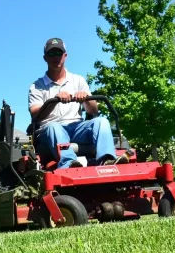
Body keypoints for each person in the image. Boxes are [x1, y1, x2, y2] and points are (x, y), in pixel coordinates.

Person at [28, 38, 127, 168]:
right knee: (53, 127)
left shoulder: (78, 80)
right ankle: (69, 163)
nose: (55, 57)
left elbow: (94, 111)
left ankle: (106, 160)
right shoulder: (37, 86)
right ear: (45, 58)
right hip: (50, 133)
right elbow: (35, 114)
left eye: (58, 53)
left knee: (101, 121)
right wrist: (54, 101)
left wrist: (86, 99)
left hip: (77, 128)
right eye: (51, 54)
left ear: (65, 55)